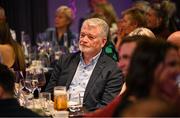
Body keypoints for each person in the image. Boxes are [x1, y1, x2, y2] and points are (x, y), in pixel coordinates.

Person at [45, 18, 124, 111]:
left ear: (103, 42)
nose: (84, 40)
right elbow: (49, 94)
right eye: (82, 35)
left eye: (91, 37)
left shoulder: (113, 69)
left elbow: (106, 108)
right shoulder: (65, 60)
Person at [113, 39, 180, 116]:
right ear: (152, 67)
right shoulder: (132, 108)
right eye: (172, 64)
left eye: (179, 63)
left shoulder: (173, 101)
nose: (178, 70)